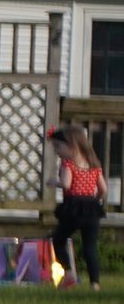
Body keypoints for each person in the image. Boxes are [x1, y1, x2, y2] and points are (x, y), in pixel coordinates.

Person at [47, 124, 104, 290]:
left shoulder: (68, 165)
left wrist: (53, 182)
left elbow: (66, 184)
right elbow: (103, 189)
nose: (57, 151)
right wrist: (94, 201)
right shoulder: (94, 165)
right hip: (91, 207)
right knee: (90, 247)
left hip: (73, 208)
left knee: (59, 239)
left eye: (58, 146)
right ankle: (95, 283)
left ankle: (69, 272)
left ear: (72, 146)